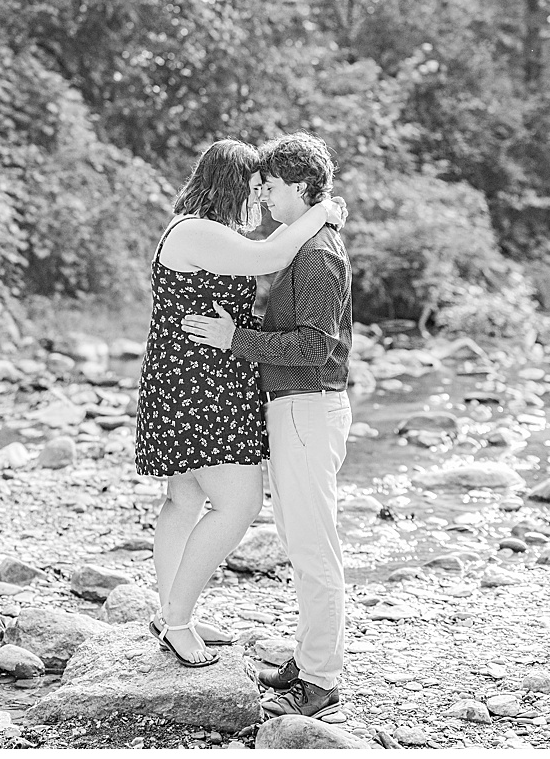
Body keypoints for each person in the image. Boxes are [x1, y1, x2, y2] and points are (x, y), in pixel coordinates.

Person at [135, 139, 345, 668]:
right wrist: (321, 209)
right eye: (255, 187)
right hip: (202, 381)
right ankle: (177, 621)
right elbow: (274, 256)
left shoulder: (199, 229)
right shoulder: (198, 231)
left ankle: (170, 611)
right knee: (239, 505)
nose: (259, 199)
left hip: (190, 375)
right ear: (232, 185)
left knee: (183, 502)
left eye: (267, 188)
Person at [183, 133, 353, 722]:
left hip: (308, 405)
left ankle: (321, 679)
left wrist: (237, 339)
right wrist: (247, 322)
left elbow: (314, 345)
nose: (266, 199)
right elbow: (292, 322)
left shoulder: (317, 253)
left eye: (274, 189)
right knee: (298, 536)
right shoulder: (302, 244)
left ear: (301, 189)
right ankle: (308, 663)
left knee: (312, 545)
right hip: (295, 406)